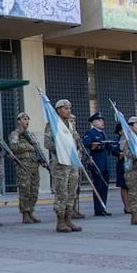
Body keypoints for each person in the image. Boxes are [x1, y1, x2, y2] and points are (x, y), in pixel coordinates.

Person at [42, 98, 85, 233]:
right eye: (65, 108)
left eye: (69, 108)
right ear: (58, 110)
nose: (68, 111)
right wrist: (61, 147)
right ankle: (60, 221)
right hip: (60, 163)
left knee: (72, 191)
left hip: (72, 162)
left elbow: (76, 140)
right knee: (61, 192)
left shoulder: (70, 124)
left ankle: (68, 218)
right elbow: (47, 143)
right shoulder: (52, 124)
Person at [8, 111, 43, 223]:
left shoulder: (30, 134)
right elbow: (13, 146)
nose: (26, 121)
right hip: (23, 166)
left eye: (27, 119)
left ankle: (31, 212)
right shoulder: (15, 134)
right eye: (24, 119)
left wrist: (42, 160)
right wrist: (26, 146)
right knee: (25, 191)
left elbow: (37, 148)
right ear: (18, 121)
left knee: (34, 191)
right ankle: (25, 214)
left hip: (34, 165)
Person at [82, 112, 112, 216]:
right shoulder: (91, 133)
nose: (102, 122)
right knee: (98, 186)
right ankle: (98, 209)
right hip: (96, 163)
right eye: (99, 120)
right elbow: (85, 144)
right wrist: (96, 146)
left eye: (102, 120)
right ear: (93, 122)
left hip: (105, 163)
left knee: (104, 186)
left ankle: (103, 207)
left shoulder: (103, 133)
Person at [114, 123, 128, 213]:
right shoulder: (117, 140)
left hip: (132, 165)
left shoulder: (131, 139)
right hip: (122, 164)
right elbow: (115, 151)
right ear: (120, 131)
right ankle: (127, 206)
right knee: (124, 186)